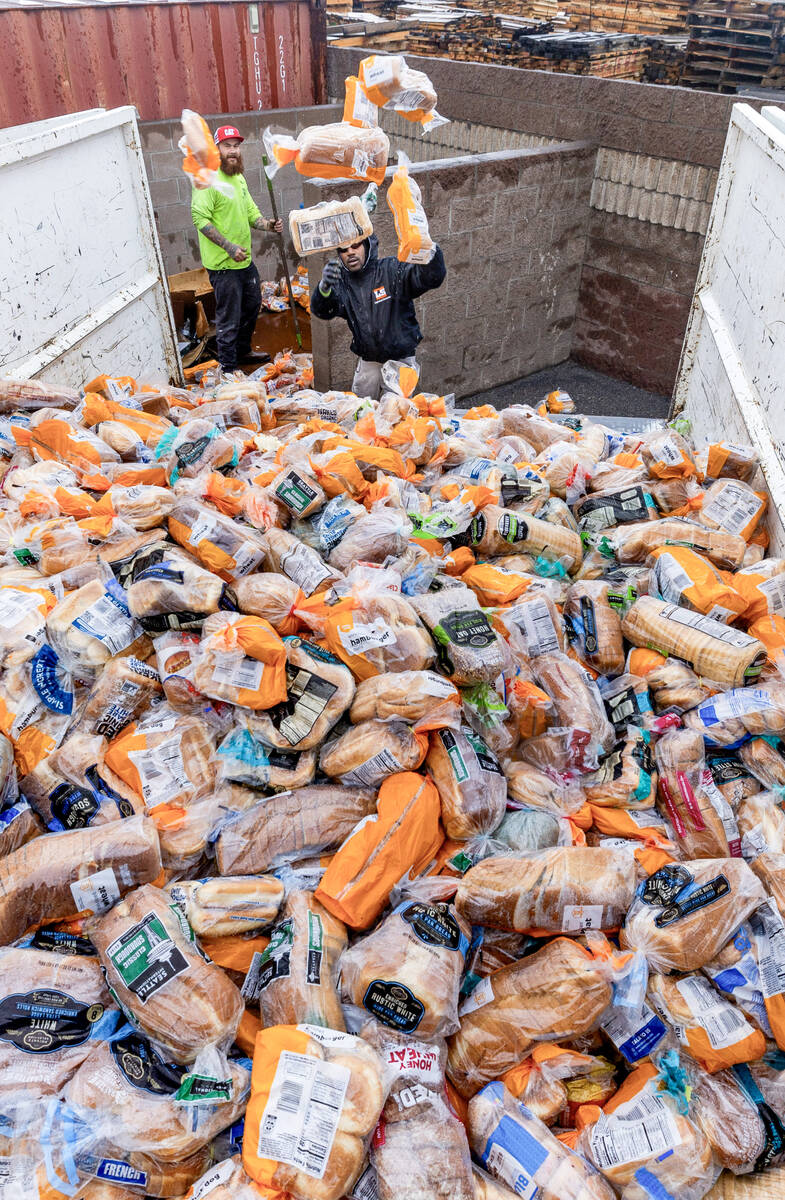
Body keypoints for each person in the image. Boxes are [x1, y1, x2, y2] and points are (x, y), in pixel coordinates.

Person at [310, 232, 446, 400]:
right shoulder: (343, 283)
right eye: (344, 249)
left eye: (356, 245)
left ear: (367, 246)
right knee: (360, 412)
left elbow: (431, 278)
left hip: (400, 361)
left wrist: (429, 250)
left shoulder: (392, 270)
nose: (350, 252)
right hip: (369, 362)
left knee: (395, 415)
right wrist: (324, 288)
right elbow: (324, 311)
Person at [191, 125, 283, 373]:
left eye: (236, 146)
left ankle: (243, 351)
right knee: (229, 319)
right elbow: (200, 219)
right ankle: (229, 369)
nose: (233, 151)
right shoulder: (206, 179)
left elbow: (252, 214)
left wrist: (269, 225)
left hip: (244, 262)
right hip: (223, 265)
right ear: (216, 149)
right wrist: (229, 247)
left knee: (252, 307)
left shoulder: (238, 177)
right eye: (227, 146)